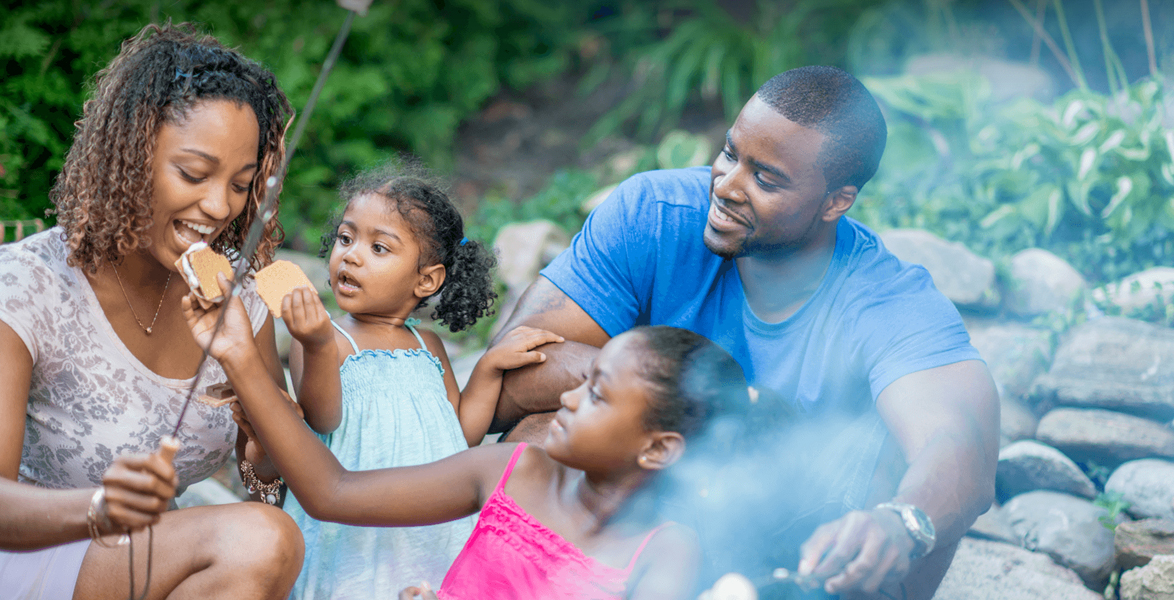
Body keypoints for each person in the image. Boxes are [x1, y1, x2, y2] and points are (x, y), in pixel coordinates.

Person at [488, 65, 1000, 599]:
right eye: (731, 154)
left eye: (766, 179)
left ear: (836, 202)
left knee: (907, 492)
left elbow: (960, 446)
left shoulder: (884, 298)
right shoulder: (654, 215)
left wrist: (900, 523)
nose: (726, 186)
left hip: (795, 535)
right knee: (550, 431)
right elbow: (510, 376)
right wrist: (687, 396)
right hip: (655, 489)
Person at [0, 24, 304, 599]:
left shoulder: (239, 297)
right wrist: (99, 508)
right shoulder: (25, 282)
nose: (219, 206)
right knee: (259, 541)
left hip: (147, 565)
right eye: (194, 175)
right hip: (15, 559)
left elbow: (266, 489)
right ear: (127, 157)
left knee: (265, 539)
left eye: (241, 184)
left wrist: (264, 459)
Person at [188, 276, 715, 599]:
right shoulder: (512, 470)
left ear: (659, 447)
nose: (569, 399)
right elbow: (333, 493)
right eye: (584, 384)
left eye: (597, 396)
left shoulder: (665, 551)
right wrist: (240, 359)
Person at [274, 165, 564, 599]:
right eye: (346, 238)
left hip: (430, 525)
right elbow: (323, 418)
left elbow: (459, 434)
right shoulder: (327, 338)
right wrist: (314, 345)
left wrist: (488, 368)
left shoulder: (427, 344)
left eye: (378, 248)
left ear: (426, 279)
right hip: (357, 526)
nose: (350, 256)